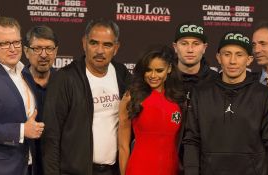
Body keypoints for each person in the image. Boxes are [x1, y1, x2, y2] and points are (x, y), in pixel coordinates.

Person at [183, 31, 268, 175]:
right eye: (227, 54)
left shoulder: (264, 94)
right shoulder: (201, 93)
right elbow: (191, 140)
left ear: (249, 60)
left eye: (239, 55)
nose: (232, 61)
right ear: (218, 57)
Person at [42, 19, 131, 175]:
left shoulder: (121, 73)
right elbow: (51, 136)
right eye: (94, 43)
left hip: (113, 170)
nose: (99, 51)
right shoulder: (65, 78)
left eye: (107, 45)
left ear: (116, 48)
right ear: (84, 43)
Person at [0, 16, 44, 175]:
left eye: (16, 42)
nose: (13, 48)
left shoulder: (25, 72)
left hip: (24, 166)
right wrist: (21, 131)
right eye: (5, 43)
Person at [118, 45, 186, 175]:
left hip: (170, 169)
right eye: (148, 70)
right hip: (139, 169)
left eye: (159, 70)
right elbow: (123, 147)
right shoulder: (131, 97)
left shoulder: (178, 100)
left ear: (169, 69)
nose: (153, 75)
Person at [22, 25, 58, 175]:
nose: (44, 55)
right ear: (26, 51)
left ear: (56, 51)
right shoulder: (17, 82)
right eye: (37, 49)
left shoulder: (64, 83)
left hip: (55, 165)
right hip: (23, 164)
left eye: (49, 48)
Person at [172, 22, 218, 102]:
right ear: (175, 47)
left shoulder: (217, 80)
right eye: (184, 43)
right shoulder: (164, 79)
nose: (190, 50)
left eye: (196, 44)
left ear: (204, 48)